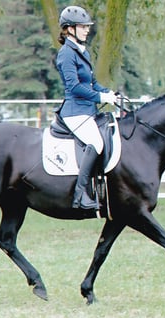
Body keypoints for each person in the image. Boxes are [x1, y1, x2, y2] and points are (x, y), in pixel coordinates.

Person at [56, 5, 118, 209]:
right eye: (82, 27)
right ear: (69, 29)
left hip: (87, 110)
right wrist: (101, 96)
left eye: (86, 26)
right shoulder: (66, 54)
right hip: (75, 111)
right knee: (96, 142)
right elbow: (74, 87)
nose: (87, 30)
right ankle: (79, 195)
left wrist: (109, 94)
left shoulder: (81, 51)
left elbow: (91, 84)